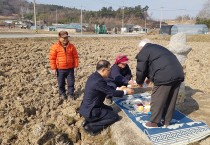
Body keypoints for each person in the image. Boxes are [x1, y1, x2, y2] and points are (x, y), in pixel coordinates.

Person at [136, 39, 184, 128]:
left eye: (139, 50)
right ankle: (166, 121)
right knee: (171, 99)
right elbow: (159, 64)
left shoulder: (144, 50)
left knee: (157, 98)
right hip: (178, 73)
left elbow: (141, 69)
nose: (139, 51)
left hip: (165, 76)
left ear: (141, 48)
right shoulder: (158, 48)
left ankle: (153, 122)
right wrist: (149, 78)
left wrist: (139, 82)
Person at [79, 60, 134, 136]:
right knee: (114, 117)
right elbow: (112, 93)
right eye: (109, 70)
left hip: (87, 107)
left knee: (111, 110)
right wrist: (126, 92)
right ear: (103, 70)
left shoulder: (94, 76)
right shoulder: (98, 81)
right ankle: (91, 127)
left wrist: (119, 88)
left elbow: (106, 88)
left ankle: (88, 121)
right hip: (91, 110)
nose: (110, 72)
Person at [49, 31, 79, 100]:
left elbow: (75, 57)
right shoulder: (55, 47)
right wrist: (53, 68)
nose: (65, 39)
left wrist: (76, 66)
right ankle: (62, 94)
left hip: (70, 69)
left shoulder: (71, 47)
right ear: (59, 38)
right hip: (60, 69)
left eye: (66, 38)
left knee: (71, 83)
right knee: (61, 83)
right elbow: (52, 58)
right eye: (63, 38)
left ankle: (70, 94)